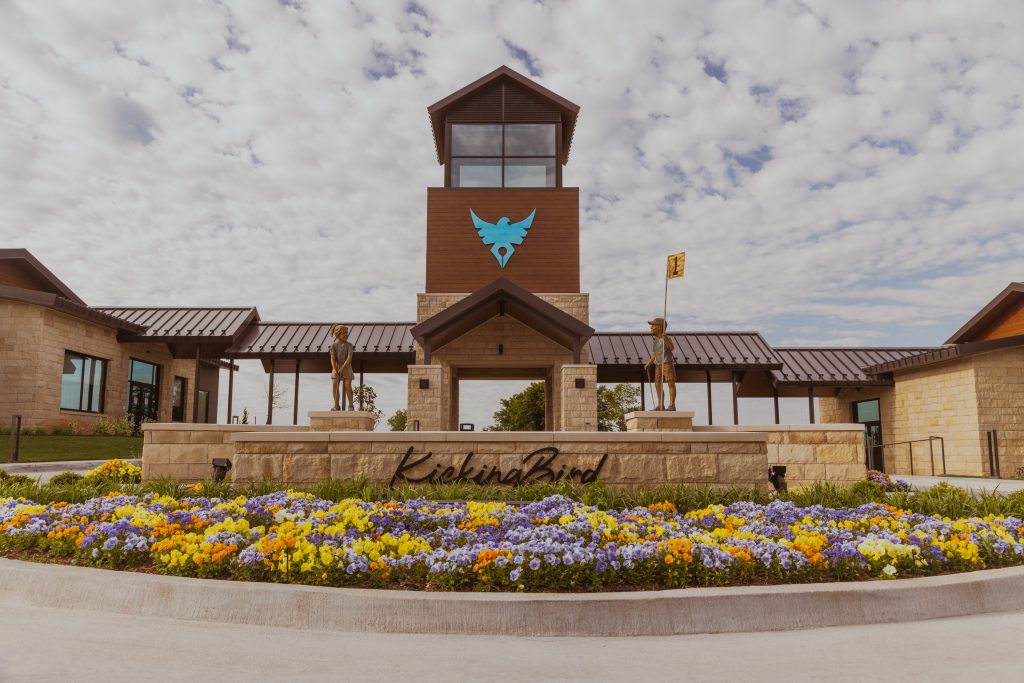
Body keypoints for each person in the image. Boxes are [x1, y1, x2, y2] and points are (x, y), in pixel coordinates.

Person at [643, 317, 677, 411]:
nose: (651, 327)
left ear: (660, 327)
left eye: (653, 325)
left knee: (670, 382)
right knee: (657, 383)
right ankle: (660, 405)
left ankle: (672, 405)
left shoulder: (666, 338)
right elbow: (655, 353)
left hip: (667, 363)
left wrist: (665, 338)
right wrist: (649, 362)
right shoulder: (656, 340)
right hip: (658, 363)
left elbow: (671, 348)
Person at [329, 324, 355, 411]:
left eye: (347, 333)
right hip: (336, 366)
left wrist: (342, 368)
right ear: (338, 334)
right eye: (344, 333)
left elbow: (349, 358)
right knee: (335, 384)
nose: (346, 335)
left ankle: (351, 405)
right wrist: (335, 369)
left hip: (346, 367)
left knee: (347, 385)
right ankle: (336, 405)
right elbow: (333, 358)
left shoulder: (349, 345)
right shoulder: (334, 345)